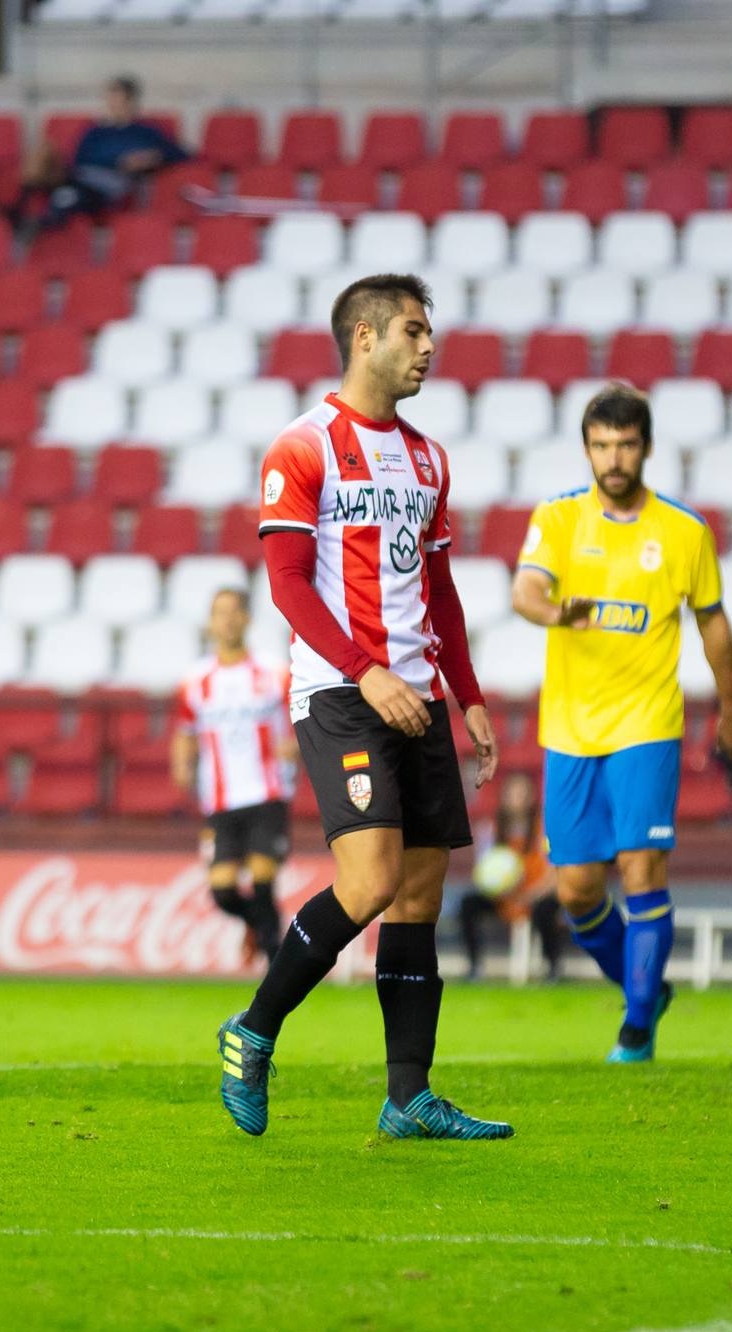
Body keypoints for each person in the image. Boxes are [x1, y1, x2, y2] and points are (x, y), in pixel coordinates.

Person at [216, 273, 508, 1143]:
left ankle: (407, 1095)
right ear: (365, 337)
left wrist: (469, 694)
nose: (428, 347)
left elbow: (441, 590)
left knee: (419, 894)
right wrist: (363, 667)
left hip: (417, 693)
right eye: (413, 331)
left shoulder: (427, 458)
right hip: (341, 692)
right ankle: (252, 1032)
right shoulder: (302, 446)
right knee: (372, 880)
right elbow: (286, 582)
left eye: (430, 333)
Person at [510, 384, 732, 1064]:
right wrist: (556, 612)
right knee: (576, 890)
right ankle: (643, 987)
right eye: (600, 444)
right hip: (568, 727)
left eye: (624, 444)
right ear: (585, 448)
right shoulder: (558, 519)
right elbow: (524, 590)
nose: (612, 458)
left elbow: (713, 624)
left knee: (641, 866)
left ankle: (636, 1027)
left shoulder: (683, 530)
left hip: (647, 723)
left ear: (644, 447)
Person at [171, 588, 297, 960]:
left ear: (246, 618)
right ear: (210, 622)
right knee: (223, 891)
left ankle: (277, 963)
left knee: (261, 882)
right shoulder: (196, 680)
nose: (226, 619)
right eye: (218, 612)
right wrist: (182, 764)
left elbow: (303, 716)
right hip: (220, 798)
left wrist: (296, 745)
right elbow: (185, 730)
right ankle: (260, 927)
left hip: (266, 792)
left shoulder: (274, 673)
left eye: (232, 611)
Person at [13, 75, 188, 240]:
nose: (112, 103)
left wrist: (153, 157)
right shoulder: (95, 131)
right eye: (110, 98)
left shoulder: (145, 131)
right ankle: (22, 211)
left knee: (69, 194)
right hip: (81, 175)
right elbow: (80, 158)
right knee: (44, 151)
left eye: (117, 98)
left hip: (111, 183)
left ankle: (46, 218)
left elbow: (180, 154)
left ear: (130, 100)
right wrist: (115, 160)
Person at [452, 773, 562, 984]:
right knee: (468, 904)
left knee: (547, 909)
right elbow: (483, 870)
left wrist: (531, 895)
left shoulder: (544, 829)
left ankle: (552, 968)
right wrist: (498, 890)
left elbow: (554, 871)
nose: (516, 799)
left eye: (522, 794)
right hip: (504, 896)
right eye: (512, 794)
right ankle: (474, 966)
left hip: (536, 894)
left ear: (531, 798)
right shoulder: (492, 830)